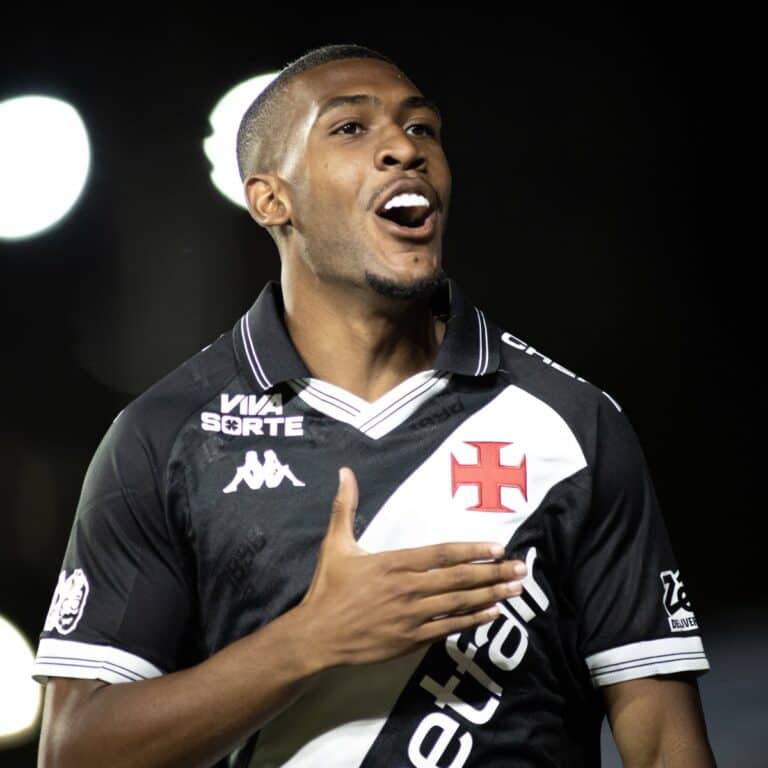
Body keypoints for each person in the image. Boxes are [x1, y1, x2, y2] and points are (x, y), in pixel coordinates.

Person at [32, 43, 716, 767]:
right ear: (271, 199)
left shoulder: (574, 423)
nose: (403, 148)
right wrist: (313, 639)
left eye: (422, 128)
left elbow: (667, 741)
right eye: (351, 129)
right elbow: (75, 750)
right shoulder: (164, 436)